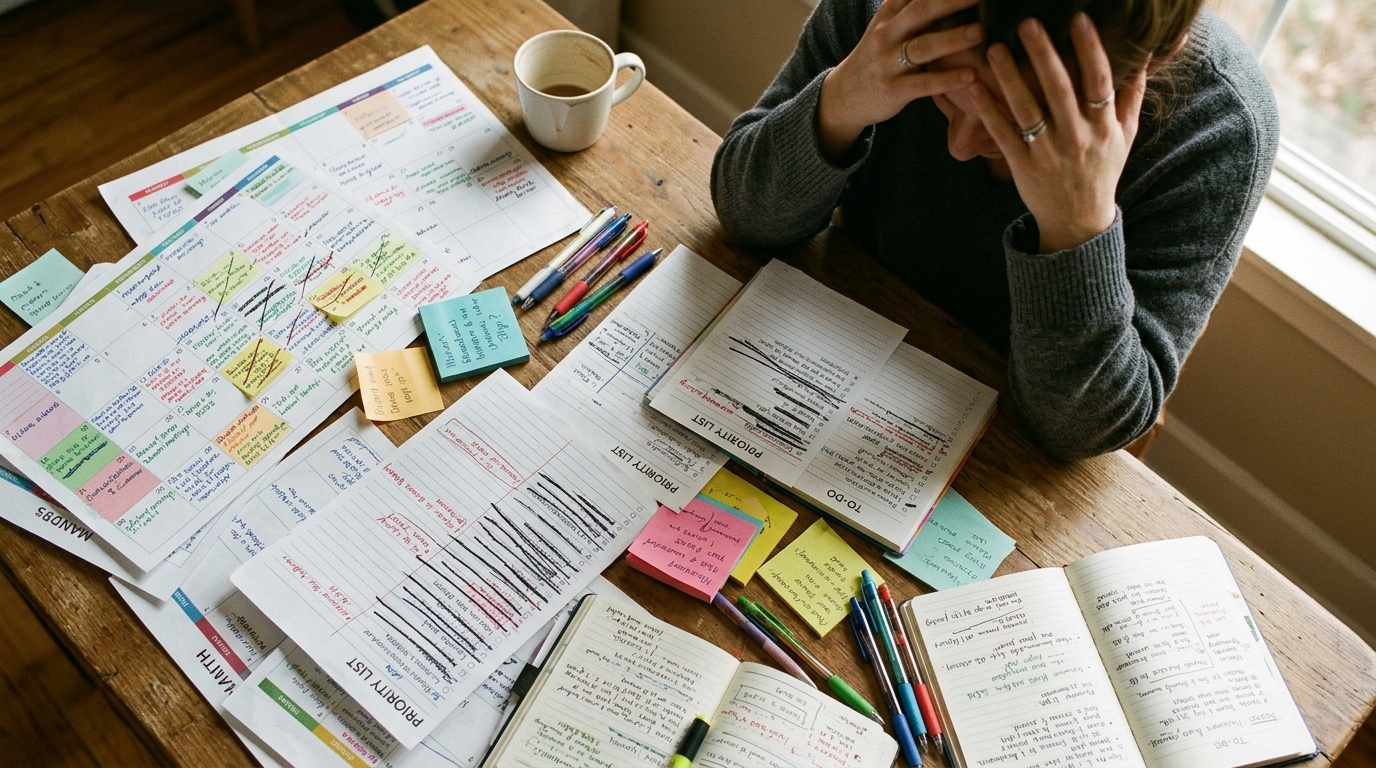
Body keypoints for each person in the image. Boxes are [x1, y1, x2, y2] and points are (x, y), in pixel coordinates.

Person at [711, 0, 1278, 461]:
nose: (960, 147)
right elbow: (745, 215)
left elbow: (1081, 428)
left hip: (1006, 462)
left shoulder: (1220, 125)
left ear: (1155, 58)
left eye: (1020, 126)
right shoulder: (895, 12)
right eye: (945, 96)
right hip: (819, 355)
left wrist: (1077, 226)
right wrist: (840, 101)